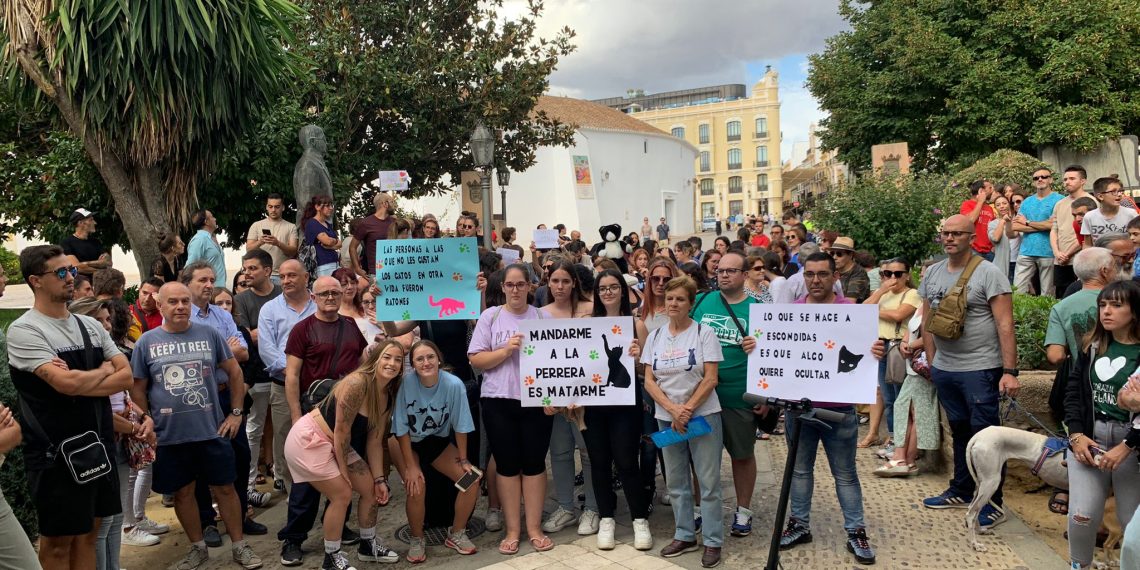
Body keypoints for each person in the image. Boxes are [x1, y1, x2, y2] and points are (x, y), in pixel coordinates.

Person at [8, 245, 136, 570]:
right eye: (61, 272)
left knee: (89, 535)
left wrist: (84, 379)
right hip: (54, 454)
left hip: (97, 445)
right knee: (58, 544)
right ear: (35, 280)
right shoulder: (26, 330)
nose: (71, 278)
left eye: (72, 270)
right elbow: (64, 384)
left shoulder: (89, 326)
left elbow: (126, 376)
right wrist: (103, 371)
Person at [129, 282, 260, 569]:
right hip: (169, 436)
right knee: (183, 493)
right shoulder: (146, 342)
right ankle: (198, 549)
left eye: (185, 301)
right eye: (173, 301)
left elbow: (235, 372)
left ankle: (240, 546)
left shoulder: (209, 334)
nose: (180, 307)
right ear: (160, 306)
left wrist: (236, 413)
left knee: (226, 489)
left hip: (212, 431)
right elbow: (137, 388)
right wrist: (145, 422)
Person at [918, 215, 1018, 530]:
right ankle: (961, 490)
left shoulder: (989, 273)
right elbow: (927, 320)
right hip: (946, 369)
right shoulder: (933, 272)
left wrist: (1010, 370)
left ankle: (992, 502)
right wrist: (932, 361)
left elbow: (1005, 323)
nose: (949, 238)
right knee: (960, 432)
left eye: (957, 233)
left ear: (971, 237)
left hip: (980, 369)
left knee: (987, 439)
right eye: (945, 233)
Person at [279, 277, 387, 566]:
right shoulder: (302, 329)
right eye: (324, 293)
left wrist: (376, 347)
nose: (330, 297)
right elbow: (292, 375)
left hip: (349, 413)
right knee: (306, 485)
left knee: (343, 479)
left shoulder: (350, 325)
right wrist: (295, 414)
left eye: (335, 293)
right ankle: (293, 538)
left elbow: (362, 359)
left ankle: (340, 527)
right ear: (313, 297)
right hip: (316, 415)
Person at [778, 252, 875, 565]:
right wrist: (757, 346)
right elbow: (776, 352)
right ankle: (799, 524)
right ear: (803, 277)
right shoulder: (789, 314)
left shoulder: (853, 313)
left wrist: (876, 349)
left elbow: (866, 353)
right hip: (799, 410)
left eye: (822, 274)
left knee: (845, 474)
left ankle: (856, 531)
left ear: (835, 277)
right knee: (799, 470)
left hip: (839, 411)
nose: (815, 280)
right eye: (810, 274)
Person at [285, 339, 403, 570]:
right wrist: (343, 472)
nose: (392, 363)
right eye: (386, 357)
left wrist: (379, 479)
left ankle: (367, 545)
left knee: (371, 490)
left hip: (339, 444)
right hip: (310, 440)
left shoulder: (387, 394)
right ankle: (331, 558)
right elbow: (341, 431)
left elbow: (375, 441)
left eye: (398, 360)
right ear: (374, 359)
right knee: (342, 494)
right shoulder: (357, 383)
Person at [468, 264, 556, 555]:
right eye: (510, 285)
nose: (515, 290)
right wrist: (506, 350)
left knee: (534, 464)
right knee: (506, 466)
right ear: (502, 287)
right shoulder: (490, 316)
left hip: (536, 402)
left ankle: (534, 528)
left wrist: (552, 397)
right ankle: (513, 530)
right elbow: (476, 359)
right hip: (498, 400)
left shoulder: (542, 317)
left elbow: (556, 363)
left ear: (530, 286)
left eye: (521, 284)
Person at [643, 276, 726, 568]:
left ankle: (713, 540)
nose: (674, 303)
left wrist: (686, 410)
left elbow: (711, 378)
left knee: (708, 481)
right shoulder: (655, 337)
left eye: (680, 299)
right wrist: (672, 410)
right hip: (667, 419)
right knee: (676, 480)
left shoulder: (704, 333)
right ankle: (684, 534)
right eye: (669, 298)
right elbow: (650, 381)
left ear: (690, 303)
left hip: (702, 416)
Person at [1063, 280, 1140, 569]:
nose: (1106, 311)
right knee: (1081, 516)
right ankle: (1078, 565)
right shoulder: (1093, 346)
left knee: (1132, 525)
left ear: (1135, 311)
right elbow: (1073, 392)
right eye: (1103, 305)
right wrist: (1076, 434)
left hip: (1131, 446)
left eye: (1116, 305)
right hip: (1091, 440)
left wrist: (1128, 444)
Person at [690, 251, 760, 538]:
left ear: (745, 275)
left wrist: (763, 396)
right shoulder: (702, 301)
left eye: (731, 271)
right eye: (720, 270)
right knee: (702, 458)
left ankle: (743, 510)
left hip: (738, 396)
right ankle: (699, 508)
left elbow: (773, 357)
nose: (724, 275)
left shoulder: (758, 309)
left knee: (742, 454)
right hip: (702, 396)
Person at [584, 270, 653, 550]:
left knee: (626, 461)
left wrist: (638, 359)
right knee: (599, 462)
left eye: (613, 287)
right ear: (596, 293)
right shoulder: (587, 324)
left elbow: (648, 371)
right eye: (603, 288)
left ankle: (639, 519)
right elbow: (578, 367)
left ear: (623, 291)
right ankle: (606, 519)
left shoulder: (637, 325)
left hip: (625, 404)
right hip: (594, 404)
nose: (608, 292)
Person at [394, 341, 479, 562]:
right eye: (419, 359)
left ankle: (457, 533)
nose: (426, 362)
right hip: (406, 441)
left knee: (471, 480)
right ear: (412, 364)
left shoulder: (453, 384)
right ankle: (417, 538)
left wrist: (464, 459)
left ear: (439, 359)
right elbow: (400, 428)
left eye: (430, 357)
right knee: (416, 485)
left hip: (434, 440)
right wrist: (411, 467)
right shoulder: (406, 383)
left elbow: (461, 424)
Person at [539, 260, 598, 534]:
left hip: (588, 398)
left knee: (589, 452)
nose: (560, 286)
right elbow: (537, 361)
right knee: (560, 452)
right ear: (548, 283)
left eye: (565, 281)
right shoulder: (539, 315)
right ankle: (565, 507)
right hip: (555, 400)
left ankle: (593, 508)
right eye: (555, 281)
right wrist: (544, 397)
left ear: (574, 282)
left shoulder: (591, 309)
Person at [233, 249, 284, 496]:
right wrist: (273, 332)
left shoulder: (283, 293)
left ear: (267, 270)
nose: (247, 273)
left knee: (283, 428)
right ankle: (249, 484)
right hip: (257, 375)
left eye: (252, 268)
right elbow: (245, 338)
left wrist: (261, 333)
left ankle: (282, 475)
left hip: (284, 375)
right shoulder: (241, 300)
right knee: (254, 429)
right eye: (245, 269)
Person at [860, 258, 920, 455]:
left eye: (898, 274)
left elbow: (898, 315)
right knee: (887, 397)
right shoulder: (882, 294)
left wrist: (876, 310)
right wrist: (880, 291)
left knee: (899, 397)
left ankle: (900, 441)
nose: (892, 278)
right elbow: (863, 310)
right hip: (880, 346)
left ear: (907, 276)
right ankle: (894, 437)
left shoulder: (912, 294)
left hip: (897, 347)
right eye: (887, 274)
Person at [1013, 167, 1064, 295]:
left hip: (1048, 251)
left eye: (1044, 177)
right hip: (1026, 251)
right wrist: (1043, 225)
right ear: (1033, 182)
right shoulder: (1027, 201)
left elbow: (1053, 225)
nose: (1040, 179)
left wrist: (1027, 222)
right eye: (1036, 178)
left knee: (1047, 294)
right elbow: (1015, 226)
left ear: (1051, 180)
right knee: (1018, 291)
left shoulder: (1059, 200)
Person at [1052, 165, 1094, 297]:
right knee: (1061, 296)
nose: (1067, 182)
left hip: (1081, 259)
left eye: (1072, 178)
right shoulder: (1059, 203)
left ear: (1083, 181)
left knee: (1080, 295)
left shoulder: (1092, 202)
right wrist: (1057, 253)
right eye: (1065, 179)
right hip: (1060, 260)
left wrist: (1068, 254)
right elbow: (1054, 229)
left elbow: (1087, 236)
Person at [245, 193, 299, 284]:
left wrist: (278, 243)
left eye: (277, 207)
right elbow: (249, 249)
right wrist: (260, 242)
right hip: (260, 274)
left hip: (282, 274)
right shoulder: (256, 225)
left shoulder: (291, 227)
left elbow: (293, 251)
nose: (273, 210)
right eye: (270, 207)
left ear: (283, 207)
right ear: (267, 207)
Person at [349, 193, 397, 281]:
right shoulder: (366, 223)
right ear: (384, 203)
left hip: (395, 271)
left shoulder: (395, 222)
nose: (394, 204)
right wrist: (357, 268)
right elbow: (352, 247)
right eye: (392, 201)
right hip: (376, 273)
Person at [1082, 176, 1137, 248]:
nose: (1119, 194)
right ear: (1100, 196)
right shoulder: (1089, 217)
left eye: (1121, 191)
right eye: (1113, 192)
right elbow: (1087, 244)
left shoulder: (1131, 214)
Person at [61, 208, 112, 279]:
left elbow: (108, 262)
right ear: (80, 223)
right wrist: (99, 266)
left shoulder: (96, 242)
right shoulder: (67, 242)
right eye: (91, 220)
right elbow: (76, 267)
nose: (95, 223)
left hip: (97, 283)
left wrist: (85, 264)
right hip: (79, 285)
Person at [301, 195, 343, 278]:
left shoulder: (327, 224)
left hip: (334, 263)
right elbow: (327, 241)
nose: (331, 208)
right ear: (317, 207)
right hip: (322, 265)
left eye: (331, 205)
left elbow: (340, 244)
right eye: (327, 206)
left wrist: (331, 246)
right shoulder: (312, 223)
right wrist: (334, 242)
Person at [186, 209, 228, 288]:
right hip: (208, 289)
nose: (215, 219)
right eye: (212, 217)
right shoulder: (199, 240)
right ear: (206, 222)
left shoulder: (211, 238)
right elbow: (189, 267)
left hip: (219, 288)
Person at [960, 180, 997, 260]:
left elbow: (993, 228)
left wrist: (994, 245)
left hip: (989, 252)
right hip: (973, 250)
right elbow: (970, 221)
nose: (993, 190)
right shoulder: (967, 204)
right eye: (990, 188)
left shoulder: (989, 208)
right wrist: (980, 201)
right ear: (981, 190)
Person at [988, 194, 1017, 285]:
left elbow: (1014, 234)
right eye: (998, 205)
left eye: (1004, 203)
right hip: (1002, 263)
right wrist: (1003, 221)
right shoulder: (992, 224)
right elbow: (995, 238)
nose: (1002, 206)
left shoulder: (1017, 220)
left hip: (1019, 262)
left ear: (1009, 204)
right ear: (995, 208)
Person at [830, 237, 870, 303]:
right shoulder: (831, 270)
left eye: (839, 254)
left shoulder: (859, 273)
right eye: (832, 253)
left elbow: (849, 303)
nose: (834, 257)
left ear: (850, 255)